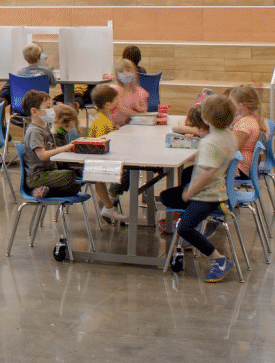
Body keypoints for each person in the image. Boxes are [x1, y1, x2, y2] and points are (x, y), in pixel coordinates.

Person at [157, 93, 239, 282]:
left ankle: (219, 260)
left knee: (183, 226)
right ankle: (186, 240)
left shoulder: (210, 142)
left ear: (206, 117)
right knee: (169, 195)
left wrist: (190, 192)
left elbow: (208, 173)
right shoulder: (228, 135)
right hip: (219, 191)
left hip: (207, 196)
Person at [20, 90, 79, 198]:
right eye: (48, 108)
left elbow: (52, 150)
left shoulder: (45, 128)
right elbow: (43, 156)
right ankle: (37, 190)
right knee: (70, 175)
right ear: (34, 112)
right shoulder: (35, 131)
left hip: (49, 172)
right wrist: (64, 149)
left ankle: (45, 191)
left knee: (75, 186)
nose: (51, 111)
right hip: (37, 177)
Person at [86, 84, 125, 220]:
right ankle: (108, 206)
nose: (118, 104)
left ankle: (108, 204)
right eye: (116, 102)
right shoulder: (102, 121)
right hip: (97, 159)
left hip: (97, 156)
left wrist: (112, 130)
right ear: (108, 105)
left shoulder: (103, 118)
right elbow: (101, 141)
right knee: (101, 179)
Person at [229, 85, 265, 177]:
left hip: (239, 168)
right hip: (243, 166)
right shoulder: (251, 119)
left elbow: (234, 150)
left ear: (240, 106)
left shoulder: (245, 124)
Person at [109, 59, 149, 127]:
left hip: (130, 126)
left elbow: (144, 108)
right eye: (121, 71)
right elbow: (120, 108)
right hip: (115, 126)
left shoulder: (138, 91)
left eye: (128, 70)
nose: (125, 73)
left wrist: (138, 106)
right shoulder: (115, 90)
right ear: (116, 75)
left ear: (134, 73)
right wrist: (136, 113)